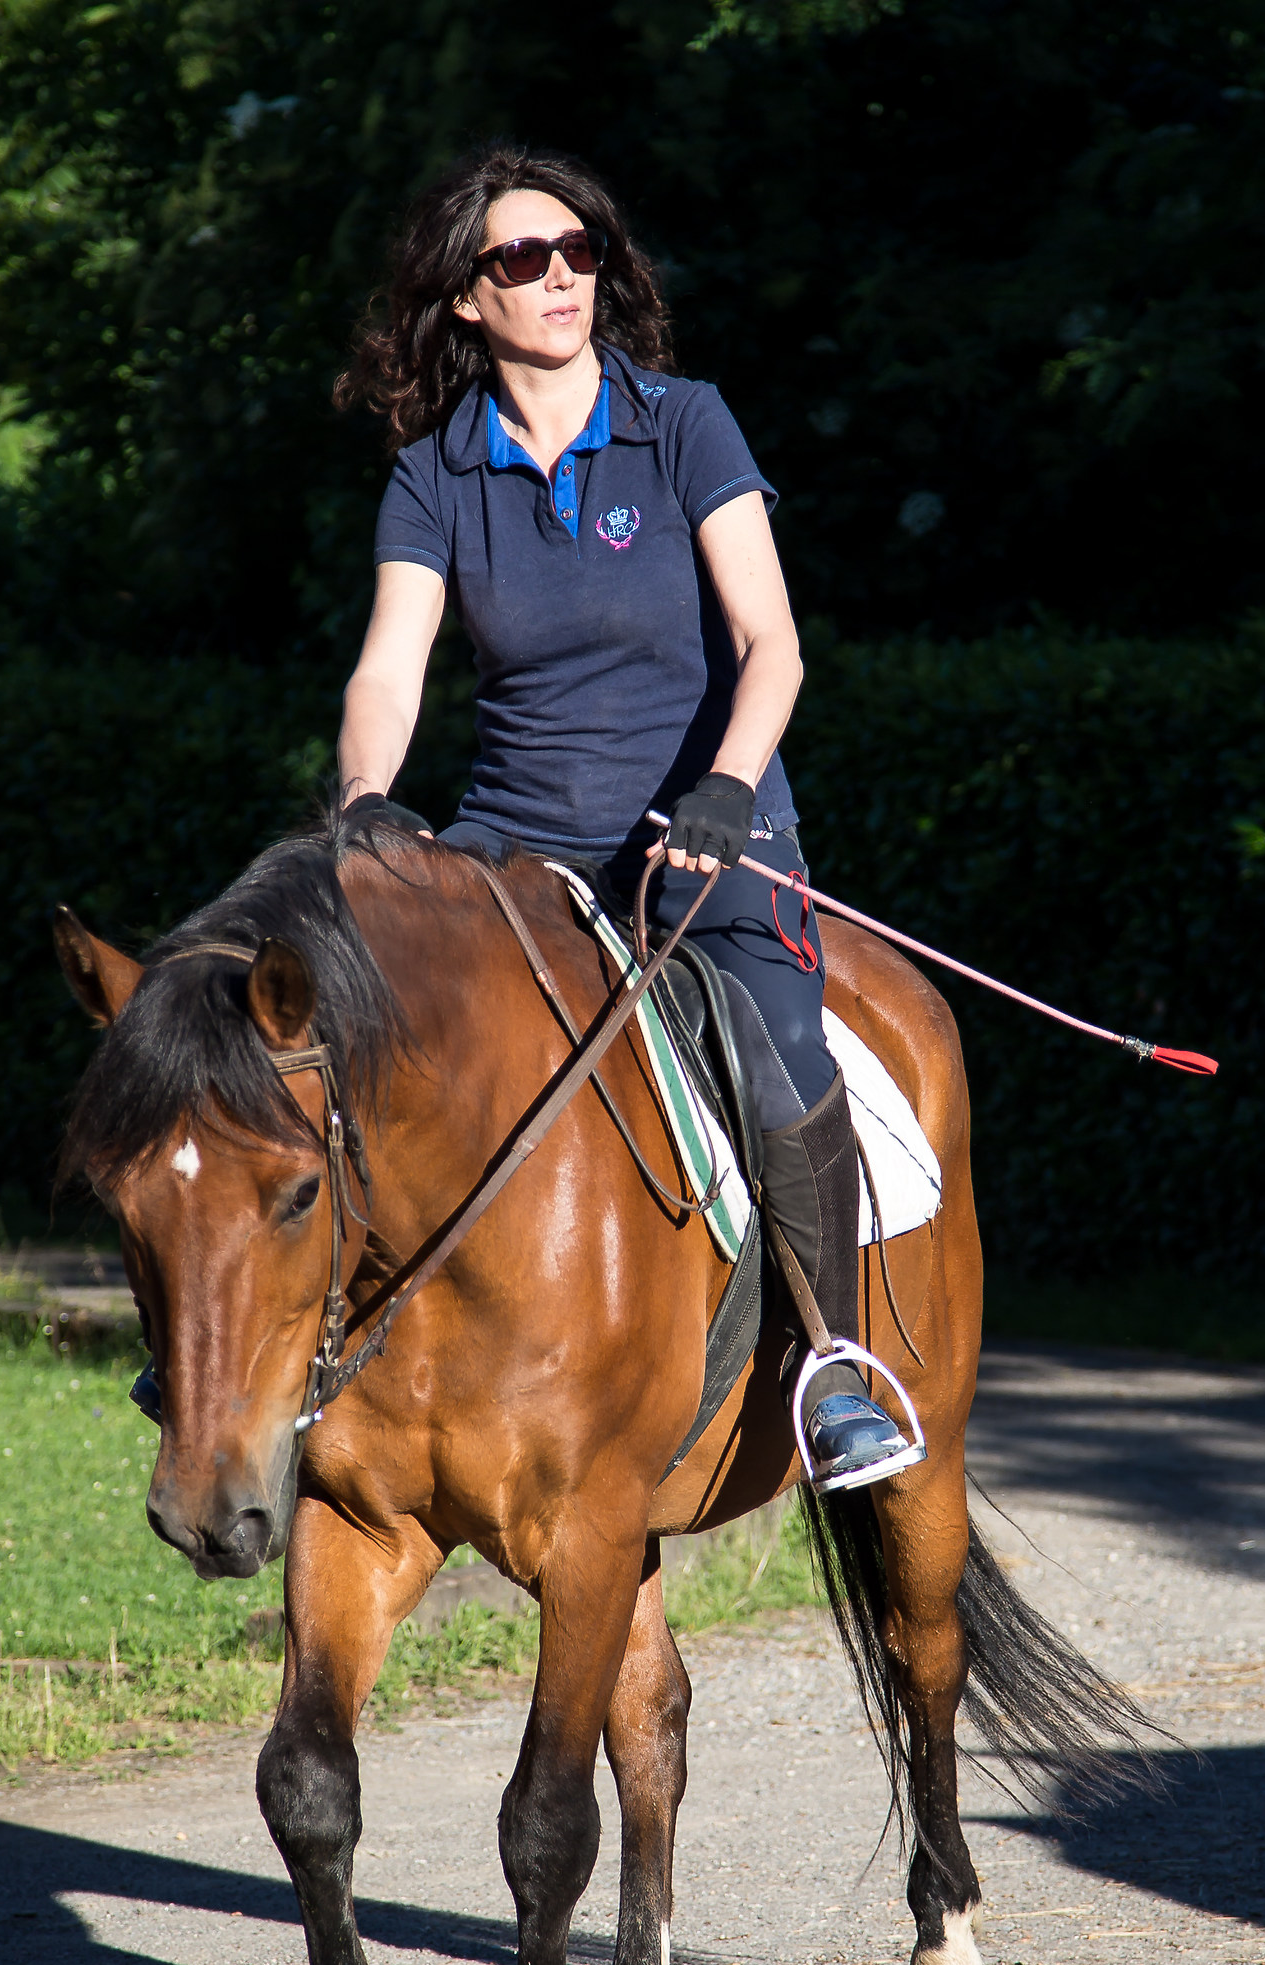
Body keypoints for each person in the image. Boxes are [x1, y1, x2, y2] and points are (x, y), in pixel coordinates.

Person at [332, 143, 919, 1494]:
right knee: (343, 1016)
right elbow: (388, 668)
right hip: (513, 846)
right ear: (468, 298)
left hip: (711, 835)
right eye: (522, 259)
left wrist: (724, 789)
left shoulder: (682, 423)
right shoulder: (433, 477)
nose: (560, 276)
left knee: (778, 1046)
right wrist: (365, 805)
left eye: (579, 250)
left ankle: (832, 1364)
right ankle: (295, 1334)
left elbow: (772, 646)